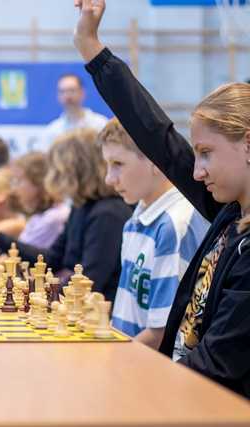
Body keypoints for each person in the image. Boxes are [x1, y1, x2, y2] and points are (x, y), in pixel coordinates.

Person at [74, 0, 250, 397]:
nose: (196, 170)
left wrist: (130, 381)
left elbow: (216, 363)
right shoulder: (229, 212)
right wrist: (90, 47)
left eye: (206, 153)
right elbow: (158, 137)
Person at [0, 128, 132, 302]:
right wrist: (0, 239)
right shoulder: (81, 207)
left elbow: (88, 281)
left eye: (58, 169)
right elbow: (52, 259)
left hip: (95, 317)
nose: (52, 177)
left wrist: (35, 296)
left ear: (76, 169)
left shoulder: (108, 214)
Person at [98, 118, 209, 349]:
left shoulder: (173, 225)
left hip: (147, 368)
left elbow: (162, 332)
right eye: (107, 165)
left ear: (155, 161)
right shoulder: (137, 218)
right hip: (131, 356)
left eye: (118, 163)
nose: (109, 178)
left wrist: (112, 360)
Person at [11, 151, 70, 249]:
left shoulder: (53, 218)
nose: (14, 188)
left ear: (39, 183)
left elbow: (23, 256)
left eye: (19, 180)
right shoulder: (39, 216)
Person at [42, 73, 108, 147]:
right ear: (58, 96)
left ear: (82, 93)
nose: (67, 96)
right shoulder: (53, 131)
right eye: (63, 91)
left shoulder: (100, 124)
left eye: (72, 91)